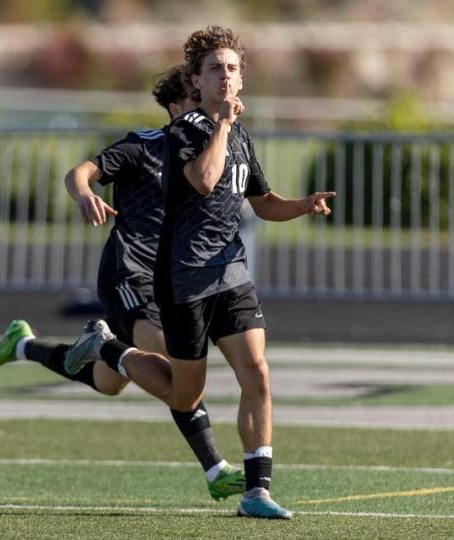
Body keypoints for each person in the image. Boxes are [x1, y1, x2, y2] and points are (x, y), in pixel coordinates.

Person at [0, 65, 245, 501]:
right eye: (198, 104)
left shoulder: (211, 154)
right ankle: (216, 469)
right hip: (129, 274)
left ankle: (24, 344)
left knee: (108, 382)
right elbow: (78, 172)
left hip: (170, 283)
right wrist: (84, 193)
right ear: (178, 108)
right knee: (172, 361)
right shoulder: (145, 145)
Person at [156, 25, 333, 519]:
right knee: (184, 392)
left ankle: (257, 491)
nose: (226, 77)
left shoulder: (241, 135)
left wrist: (303, 204)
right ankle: (109, 349)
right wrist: (224, 126)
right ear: (196, 79)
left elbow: (263, 203)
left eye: (233, 69)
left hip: (231, 273)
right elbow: (207, 181)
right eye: (216, 69)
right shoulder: (186, 129)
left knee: (256, 373)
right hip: (185, 279)